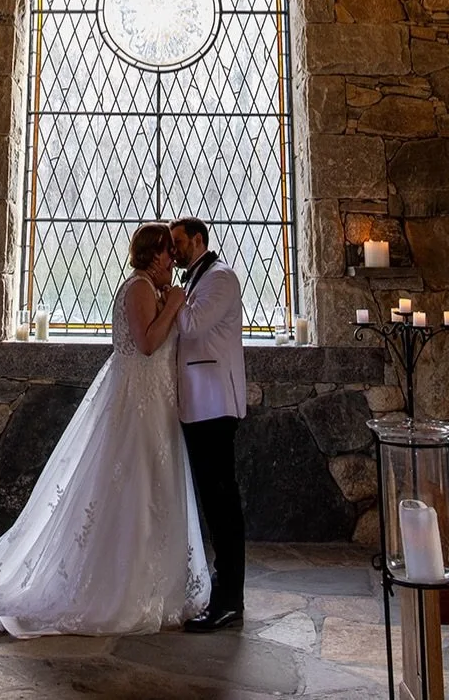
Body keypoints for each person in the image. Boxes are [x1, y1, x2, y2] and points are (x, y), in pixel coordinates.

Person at [0, 222, 211, 636]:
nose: (173, 260)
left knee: (155, 490)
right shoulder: (140, 288)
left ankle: (155, 584)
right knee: (134, 490)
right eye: (167, 252)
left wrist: (173, 302)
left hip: (156, 405)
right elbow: (147, 344)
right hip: (137, 406)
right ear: (151, 254)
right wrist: (175, 304)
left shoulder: (156, 290)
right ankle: (120, 589)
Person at [170, 215, 247, 633]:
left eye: (179, 242)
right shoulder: (197, 279)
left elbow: (194, 328)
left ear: (198, 240)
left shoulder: (220, 278)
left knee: (222, 504)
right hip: (198, 404)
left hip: (215, 404)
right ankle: (223, 589)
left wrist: (171, 298)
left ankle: (230, 599)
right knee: (213, 501)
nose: (174, 249)